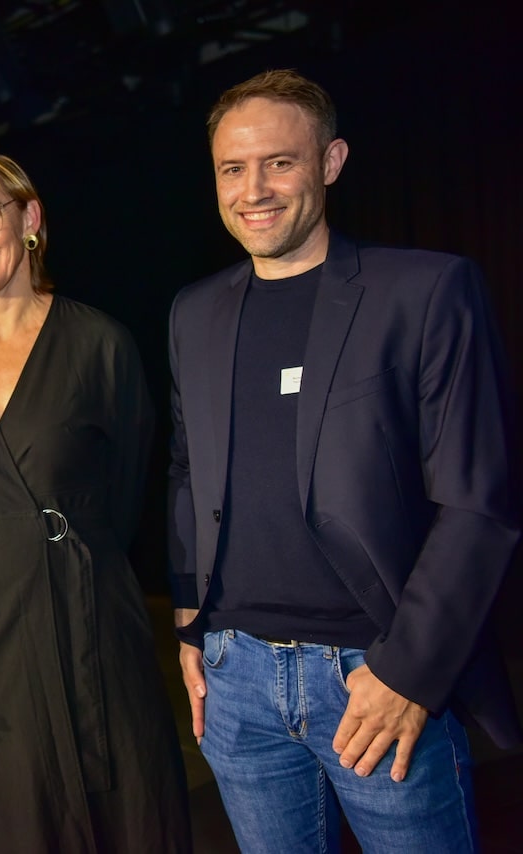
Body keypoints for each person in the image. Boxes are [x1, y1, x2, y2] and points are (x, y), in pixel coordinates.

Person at [168, 68, 522, 852]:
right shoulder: (194, 312)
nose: (253, 189)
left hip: (373, 680)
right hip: (237, 681)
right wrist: (191, 621)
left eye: (279, 163)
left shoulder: (424, 291)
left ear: (330, 162)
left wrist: (409, 673)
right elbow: (190, 471)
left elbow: (479, 502)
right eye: (233, 168)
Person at [0, 151, 191, 852]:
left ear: (29, 219)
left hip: (92, 626)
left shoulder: (99, 343)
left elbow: (123, 498)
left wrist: (55, 543)